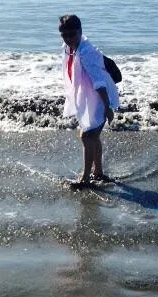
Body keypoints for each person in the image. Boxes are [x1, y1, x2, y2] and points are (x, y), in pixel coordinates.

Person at [59, 14, 119, 189]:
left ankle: (85, 179)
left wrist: (107, 107)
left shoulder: (86, 53)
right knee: (93, 136)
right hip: (90, 96)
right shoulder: (70, 47)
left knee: (87, 136)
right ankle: (98, 172)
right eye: (64, 35)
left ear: (80, 31)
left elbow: (99, 82)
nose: (68, 38)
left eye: (72, 34)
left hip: (100, 97)